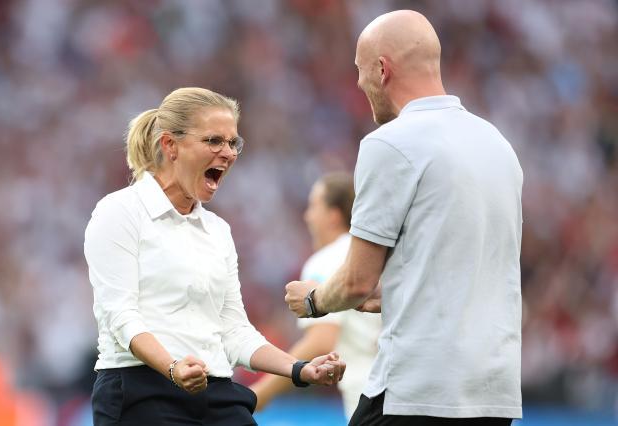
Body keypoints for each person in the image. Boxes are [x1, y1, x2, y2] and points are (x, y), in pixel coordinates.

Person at [285, 10, 523, 426]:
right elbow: (472, 265)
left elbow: (356, 281)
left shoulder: (390, 143)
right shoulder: (497, 143)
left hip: (418, 389)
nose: (359, 83)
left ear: (382, 69)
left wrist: (314, 300)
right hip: (493, 391)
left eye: (360, 70)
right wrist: (398, 290)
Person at [84, 87, 345, 426]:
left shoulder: (217, 230)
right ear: (170, 145)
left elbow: (234, 330)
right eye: (214, 141)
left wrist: (299, 369)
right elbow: (120, 316)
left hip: (214, 390)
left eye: (233, 143)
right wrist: (172, 367)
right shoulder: (119, 212)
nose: (228, 153)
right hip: (140, 391)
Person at [250, 173, 381, 420]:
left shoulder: (325, 261)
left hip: (367, 393)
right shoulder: (374, 254)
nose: (307, 216)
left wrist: (261, 393)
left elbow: (321, 341)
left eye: (314, 206)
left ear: (333, 215)